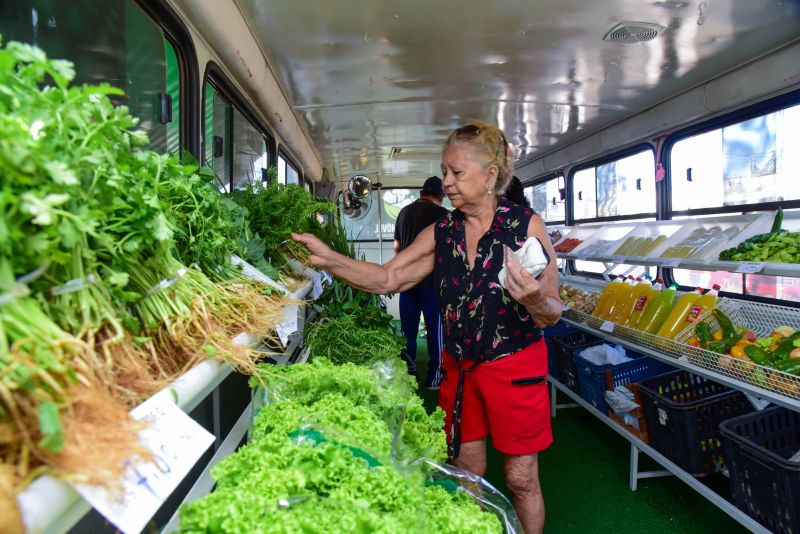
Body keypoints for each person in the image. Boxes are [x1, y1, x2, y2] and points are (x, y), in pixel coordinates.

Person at [293, 119, 561, 533]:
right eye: (446, 171)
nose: (447, 182)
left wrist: (535, 299)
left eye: (458, 173)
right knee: (466, 471)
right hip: (461, 369)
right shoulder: (444, 230)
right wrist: (330, 259)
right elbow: (388, 278)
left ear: (491, 175)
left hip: (514, 367)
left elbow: (552, 313)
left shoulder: (525, 227)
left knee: (521, 479)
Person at [393, 176, 449, 388]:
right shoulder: (443, 215)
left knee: (408, 330)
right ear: (441, 196)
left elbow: (397, 248)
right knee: (435, 331)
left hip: (407, 283)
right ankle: (434, 377)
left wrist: (398, 277)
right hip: (432, 284)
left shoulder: (404, 212)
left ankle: (409, 372)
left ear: (421, 193)